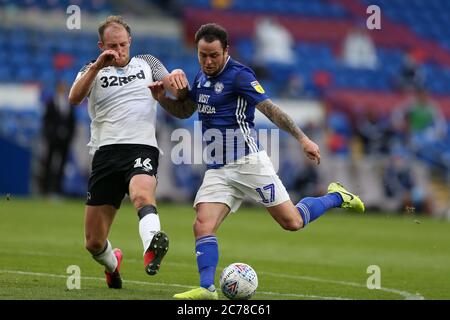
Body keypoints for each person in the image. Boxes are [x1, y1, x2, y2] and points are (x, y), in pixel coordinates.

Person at [148, 23, 365, 300]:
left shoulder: (240, 75)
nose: (208, 61)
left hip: (249, 163)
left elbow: (270, 110)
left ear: (226, 50)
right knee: (202, 224)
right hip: (218, 169)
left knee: (292, 222)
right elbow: (185, 110)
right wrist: (161, 99)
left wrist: (303, 138)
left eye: (214, 55)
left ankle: (337, 196)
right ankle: (207, 289)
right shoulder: (201, 78)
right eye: (203, 55)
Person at [68, 15, 189, 289]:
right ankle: (113, 264)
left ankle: (152, 246)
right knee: (94, 242)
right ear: (101, 46)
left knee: (141, 194)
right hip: (105, 153)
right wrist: (98, 66)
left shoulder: (147, 63)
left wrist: (179, 83)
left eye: (123, 44)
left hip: (142, 146)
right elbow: (74, 98)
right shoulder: (92, 69)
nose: (119, 51)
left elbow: (175, 90)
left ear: (130, 41)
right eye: (113, 46)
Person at [41, 80, 75, 197]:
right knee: (49, 163)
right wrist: (50, 135)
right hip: (52, 139)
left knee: (62, 165)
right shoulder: (51, 102)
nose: (63, 89)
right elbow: (46, 121)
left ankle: (58, 190)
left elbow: (72, 123)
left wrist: (69, 136)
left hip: (64, 140)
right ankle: (45, 190)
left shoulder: (69, 103)